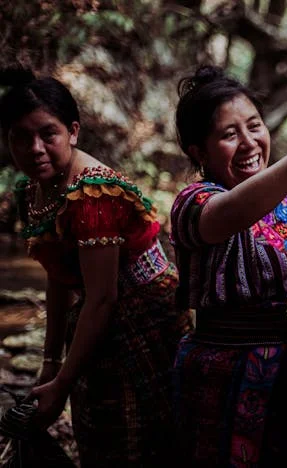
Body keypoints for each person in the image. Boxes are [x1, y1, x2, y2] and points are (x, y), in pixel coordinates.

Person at [170, 65, 287, 467]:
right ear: (199, 152)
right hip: (226, 382)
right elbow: (233, 212)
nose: (248, 143)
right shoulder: (195, 202)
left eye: (254, 126)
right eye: (229, 134)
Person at [2, 69, 191, 466]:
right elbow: (58, 275)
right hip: (96, 313)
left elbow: (103, 297)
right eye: (20, 136)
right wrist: (50, 364)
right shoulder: (34, 188)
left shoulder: (92, 194)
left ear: (72, 131)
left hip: (144, 320)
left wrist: (62, 382)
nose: (34, 148)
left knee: (138, 437)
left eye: (47, 134)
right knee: (98, 425)